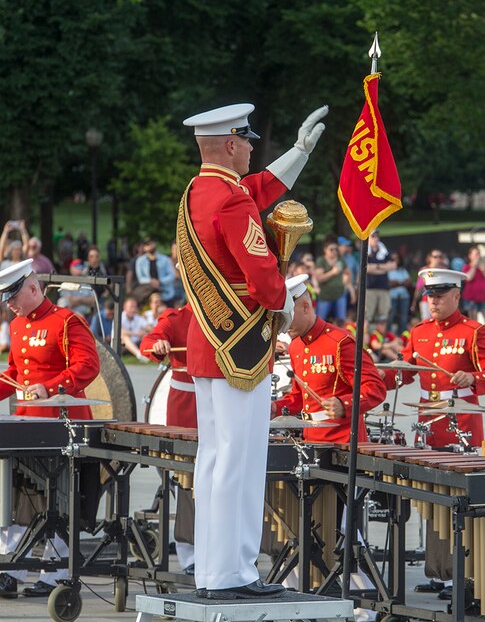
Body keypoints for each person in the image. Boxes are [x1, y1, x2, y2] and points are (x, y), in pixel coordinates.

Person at [178, 101, 327, 599]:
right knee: (240, 463)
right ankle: (233, 574)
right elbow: (264, 280)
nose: (250, 151)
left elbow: (259, 188)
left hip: (208, 342)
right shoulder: (232, 201)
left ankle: (209, 571)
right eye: (247, 143)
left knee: (215, 460)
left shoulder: (199, 190)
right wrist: (288, 300)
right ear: (230, 144)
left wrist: (299, 153)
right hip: (241, 347)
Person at [0, 259, 100, 599]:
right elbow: (17, 370)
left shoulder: (67, 321)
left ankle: (56, 573)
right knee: (18, 497)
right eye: (6, 299)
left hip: (63, 422)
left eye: (13, 297)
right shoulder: (16, 326)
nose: (9, 305)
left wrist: (54, 386)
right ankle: (8, 571)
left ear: (33, 288)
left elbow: (88, 365)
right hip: (26, 421)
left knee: (59, 500)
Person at [395, 268, 485, 600]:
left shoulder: (474, 331)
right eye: (430, 296)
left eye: (440, 296)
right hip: (427, 427)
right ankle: (440, 572)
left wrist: (473, 379)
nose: (434, 302)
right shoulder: (419, 332)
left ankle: (466, 576)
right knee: (433, 504)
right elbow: (404, 370)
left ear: (457, 295)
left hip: (461, 428)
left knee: (460, 505)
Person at [273, 274, 386, 442]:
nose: (285, 323)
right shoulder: (296, 346)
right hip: (311, 440)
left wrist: (344, 404)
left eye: (288, 315)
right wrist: (276, 407)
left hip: (343, 443)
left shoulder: (340, 342)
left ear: (305, 307)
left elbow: (375, 388)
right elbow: (299, 397)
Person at [140, 303, 198, 574]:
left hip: (222, 407)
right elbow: (149, 342)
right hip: (187, 410)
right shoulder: (177, 318)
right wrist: (159, 344)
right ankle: (190, 557)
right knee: (187, 486)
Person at [363, 230, 396, 332]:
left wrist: (375, 267)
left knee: (384, 314)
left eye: (377, 236)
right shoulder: (365, 251)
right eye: (373, 236)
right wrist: (383, 268)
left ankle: (381, 337)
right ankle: (367, 338)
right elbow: (366, 268)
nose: (375, 239)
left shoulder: (384, 251)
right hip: (370, 288)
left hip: (383, 287)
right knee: (368, 315)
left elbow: (393, 265)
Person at [129, 238, 177, 305]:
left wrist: (159, 281)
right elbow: (141, 279)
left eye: (151, 243)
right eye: (147, 244)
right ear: (144, 248)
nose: (150, 246)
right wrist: (151, 281)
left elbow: (171, 276)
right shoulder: (140, 261)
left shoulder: (165, 259)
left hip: (165, 291)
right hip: (147, 292)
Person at [313, 237, 349, 325]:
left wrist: (344, 282)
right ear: (325, 250)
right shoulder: (321, 260)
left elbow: (347, 273)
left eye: (336, 249)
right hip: (325, 296)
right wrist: (332, 273)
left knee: (341, 321)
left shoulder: (340, 259)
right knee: (320, 321)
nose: (334, 251)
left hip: (339, 294)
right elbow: (319, 278)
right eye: (331, 249)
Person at [460, 245, 485, 324]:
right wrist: (474, 266)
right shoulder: (467, 267)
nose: (478, 256)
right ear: (470, 256)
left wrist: (484, 271)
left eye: (479, 254)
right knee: (473, 322)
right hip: (471, 299)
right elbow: (468, 278)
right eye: (475, 254)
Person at [387, 252, 413, 334]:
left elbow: (409, 282)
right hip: (392, 297)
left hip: (404, 297)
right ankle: (389, 335)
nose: (395, 260)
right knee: (391, 317)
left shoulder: (402, 270)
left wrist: (397, 283)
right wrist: (402, 283)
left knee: (403, 318)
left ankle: (402, 335)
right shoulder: (388, 270)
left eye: (397, 258)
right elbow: (389, 283)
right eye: (393, 259)